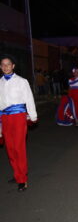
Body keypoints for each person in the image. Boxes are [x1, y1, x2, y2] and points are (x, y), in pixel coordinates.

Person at [0, 55, 37, 192]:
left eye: (8, 64)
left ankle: (23, 179)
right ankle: (17, 174)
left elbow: (29, 99)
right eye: (3, 64)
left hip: (18, 117)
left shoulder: (22, 81)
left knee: (18, 148)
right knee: (10, 149)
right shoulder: (0, 82)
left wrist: (33, 116)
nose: (5, 67)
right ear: (0, 67)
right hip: (5, 118)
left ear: (13, 66)